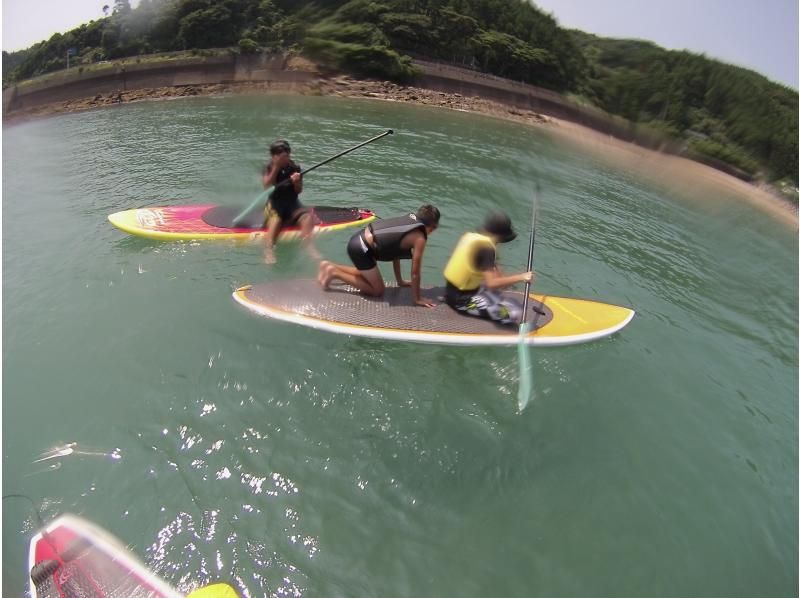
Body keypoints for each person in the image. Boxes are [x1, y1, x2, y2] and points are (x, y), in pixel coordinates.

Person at [318, 205, 441, 307]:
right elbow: (415, 272)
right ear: (432, 227)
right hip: (362, 249)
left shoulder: (409, 221)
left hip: (358, 240)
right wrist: (417, 299)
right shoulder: (419, 237)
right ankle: (334, 273)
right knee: (378, 291)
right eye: (434, 229)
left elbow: (396, 253)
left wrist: (400, 281)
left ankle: (329, 266)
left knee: (366, 276)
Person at [443, 212, 534, 325]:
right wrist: (521, 277)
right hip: (461, 301)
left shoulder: (472, 238)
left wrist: (504, 279)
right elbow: (492, 283)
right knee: (514, 311)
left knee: (498, 296)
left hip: (450, 292)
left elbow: (495, 275)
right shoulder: (486, 249)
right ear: (500, 236)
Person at [262, 139, 317, 264]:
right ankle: (268, 250)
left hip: (292, 203)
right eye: (281, 157)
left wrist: (296, 182)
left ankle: (308, 246)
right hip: (274, 203)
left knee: (306, 218)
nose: (285, 159)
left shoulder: (295, 168)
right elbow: (266, 186)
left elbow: (298, 191)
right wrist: (276, 167)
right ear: (273, 156)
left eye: (287, 156)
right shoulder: (268, 167)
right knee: (276, 220)